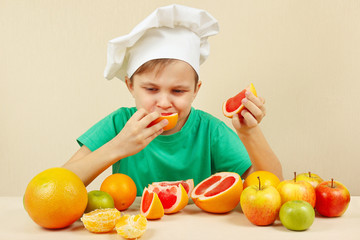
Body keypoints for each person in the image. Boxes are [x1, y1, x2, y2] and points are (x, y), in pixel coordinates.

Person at [63, 4, 283, 196]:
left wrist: (249, 132)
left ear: (196, 90)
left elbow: (272, 186)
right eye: (151, 89)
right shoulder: (119, 124)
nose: (164, 102)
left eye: (178, 91)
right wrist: (118, 147)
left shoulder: (209, 131)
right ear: (130, 85)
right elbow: (58, 185)